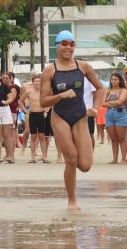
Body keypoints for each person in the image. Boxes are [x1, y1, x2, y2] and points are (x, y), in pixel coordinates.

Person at [40, 30, 105, 210]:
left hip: (80, 116)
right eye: (64, 43)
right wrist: (60, 95)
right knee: (71, 159)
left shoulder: (83, 66)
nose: (68, 47)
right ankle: (72, 201)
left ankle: (73, 162)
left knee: (85, 166)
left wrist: (96, 108)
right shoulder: (50, 70)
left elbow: (101, 89)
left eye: (72, 44)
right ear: (57, 46)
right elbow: (43, 101)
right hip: (59, 116)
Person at [20, 74, 49, 163]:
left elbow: (50, 101)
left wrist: (47, 110)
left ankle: (44, 157)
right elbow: (20, 101)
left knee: (42, 136)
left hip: (41, 115)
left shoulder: (44, 92)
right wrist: (25, 110)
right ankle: (32, 157)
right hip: (32, 114)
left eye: (39, 81)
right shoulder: (29, 91)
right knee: (33, 136)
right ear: (33, 82)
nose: (38, 83)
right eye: (36, 81)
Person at [103, 72, 127, 164]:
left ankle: (123, 159)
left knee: (121, 138)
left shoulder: (123, 90)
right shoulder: (108, 90)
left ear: (120, 80)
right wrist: (115, 103)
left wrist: (109, 103)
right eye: (112, 79)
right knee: (113, 139)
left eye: (116, 79)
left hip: (120, 115)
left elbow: (121, 102)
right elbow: (102, 103)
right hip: (109, 115)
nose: (113, 81)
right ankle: (115, 159)